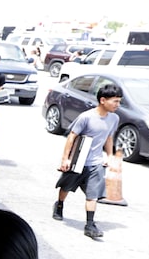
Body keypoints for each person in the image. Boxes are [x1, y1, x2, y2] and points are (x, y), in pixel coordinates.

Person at [52, 83, 122, 239]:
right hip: (78, 160)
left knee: (93, 195)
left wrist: (109, 156)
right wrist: (66, 159)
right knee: (66, 187)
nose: (118, 105)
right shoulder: (86, 117)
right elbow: (71, 137)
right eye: (115, 101)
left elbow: (109, 137)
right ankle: (59, 205)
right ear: (103, 100)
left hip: (96, 163)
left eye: (119, 101)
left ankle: (89, 225)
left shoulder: (114, 118)